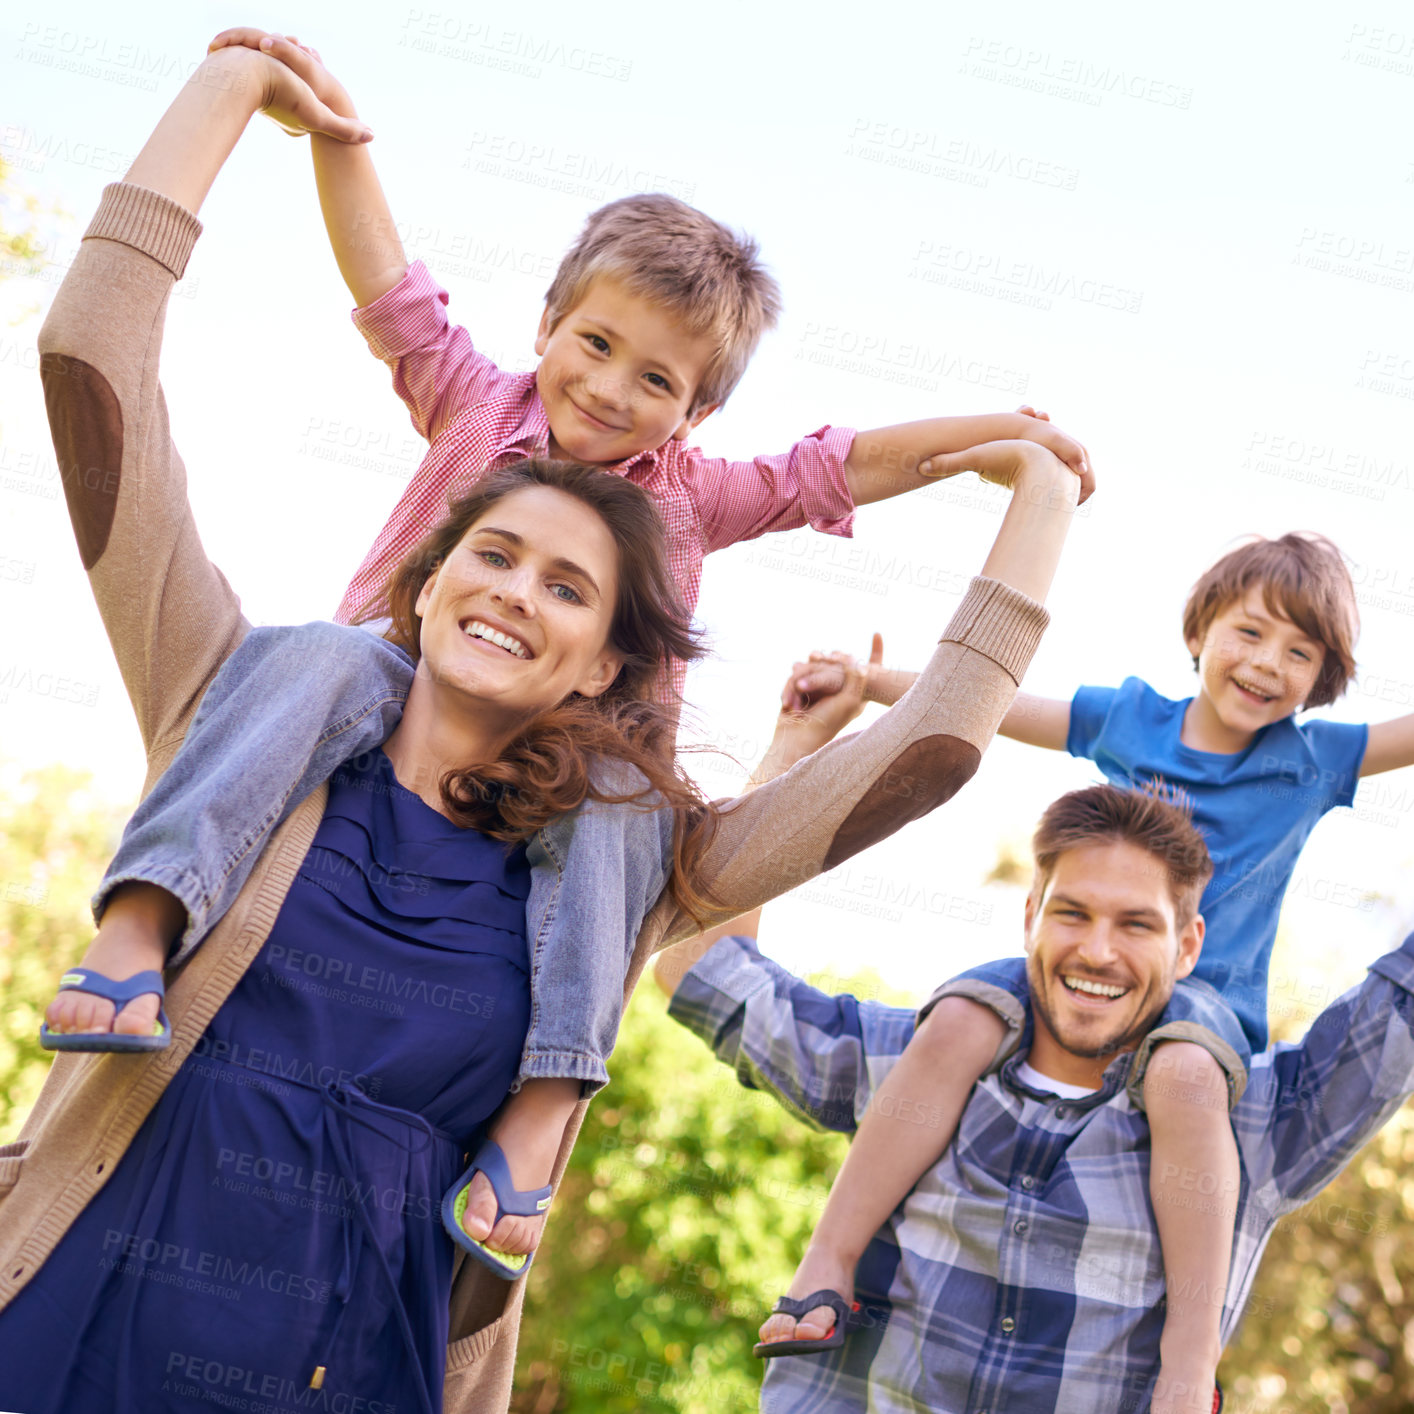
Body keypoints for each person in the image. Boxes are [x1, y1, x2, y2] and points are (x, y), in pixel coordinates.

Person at [1, 42, 1078, 1414]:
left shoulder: (621, 859)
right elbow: (98, 357)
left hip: (361, 1365)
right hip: (68, 1338)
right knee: (325, 656)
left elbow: (927, 739)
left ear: (618, 647)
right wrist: (242, 90)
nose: (516, 588)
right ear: (433, 566)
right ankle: (137, 923)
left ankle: (544, 1108)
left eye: (569, 583)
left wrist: (1032, 476)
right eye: (495, 550)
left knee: (621, 802)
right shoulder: (252, 714)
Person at [757, 533, 1414, 1409]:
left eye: (1301, 653)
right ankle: (826, 1264)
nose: (1267, 664)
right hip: (1068, 980)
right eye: (1250, 633)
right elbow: (1000, 706)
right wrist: (877, 684)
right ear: (1201, 630)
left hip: (1200, 1009)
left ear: (1323, 677)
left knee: (1181, 1075)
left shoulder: (1312, 758)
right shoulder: (1131, 718)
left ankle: (1186, 1368)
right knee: (955, 1020)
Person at [655, 773, 1414, 1414]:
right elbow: (698, 971)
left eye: (1137, 925)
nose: (1096, 950)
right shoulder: (921, 1058)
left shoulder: (1247, 1125)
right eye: (1072, 913)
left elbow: (1397, 1012)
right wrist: (799, 750)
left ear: (1187, 948)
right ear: (1030, 917)